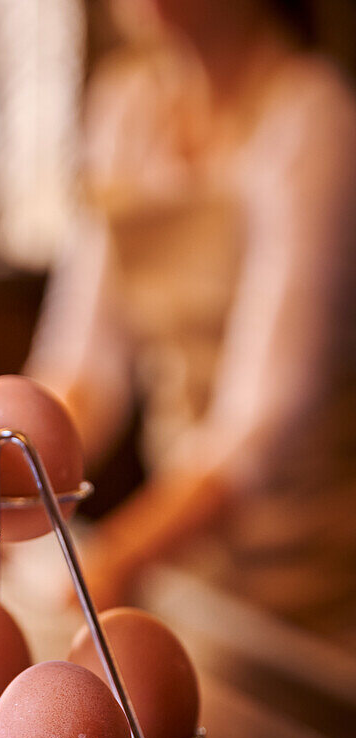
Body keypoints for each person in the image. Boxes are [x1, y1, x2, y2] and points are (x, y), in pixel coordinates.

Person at [27, 0, 356, 641]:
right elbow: (85, 369)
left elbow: (262, 418)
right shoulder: (126, 106)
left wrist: (118, 553)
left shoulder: (313, 116)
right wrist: (5, 479)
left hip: (309, 582)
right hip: (185, 563)